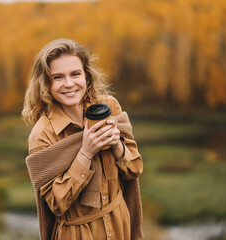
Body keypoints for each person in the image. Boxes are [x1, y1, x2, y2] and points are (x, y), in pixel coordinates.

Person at [23, 38, 144, 240]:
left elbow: (135, 170)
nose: (69, 84)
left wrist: (116, 145)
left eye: (75, 74)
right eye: (58, 77)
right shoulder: (42, 135)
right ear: (45, 83)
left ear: (86, 76)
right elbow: (57, 204)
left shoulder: (109, 108)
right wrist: (85, 153)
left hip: (120, 225)